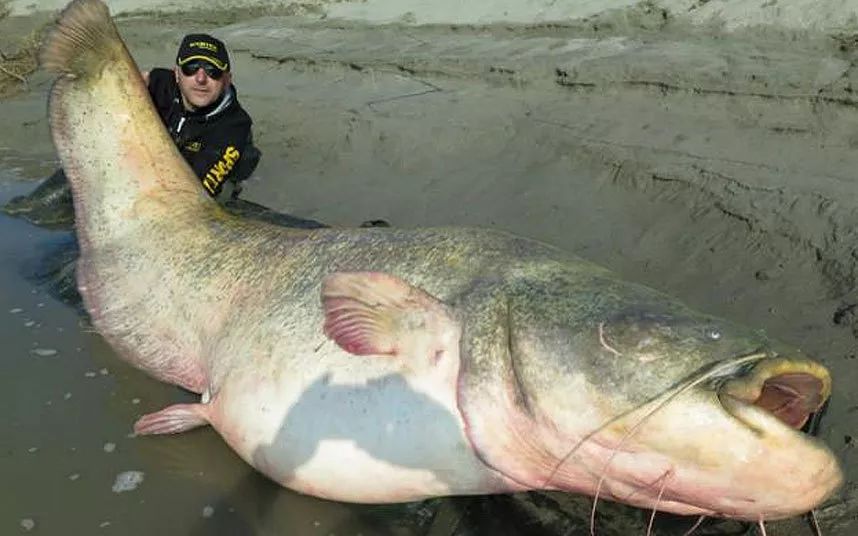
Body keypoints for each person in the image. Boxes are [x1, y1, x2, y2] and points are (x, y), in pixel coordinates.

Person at [3, 33, 261, 227]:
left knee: (200, 212)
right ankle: (25, 212)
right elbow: (115, 87)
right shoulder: (160, 82)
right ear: (177, 74)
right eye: (192, 68)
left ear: (227, 79)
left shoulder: (234, 127)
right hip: (153, 161)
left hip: (199, 175)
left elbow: (193, 195)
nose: (201, 79)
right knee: (89, 167)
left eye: (213, 71)